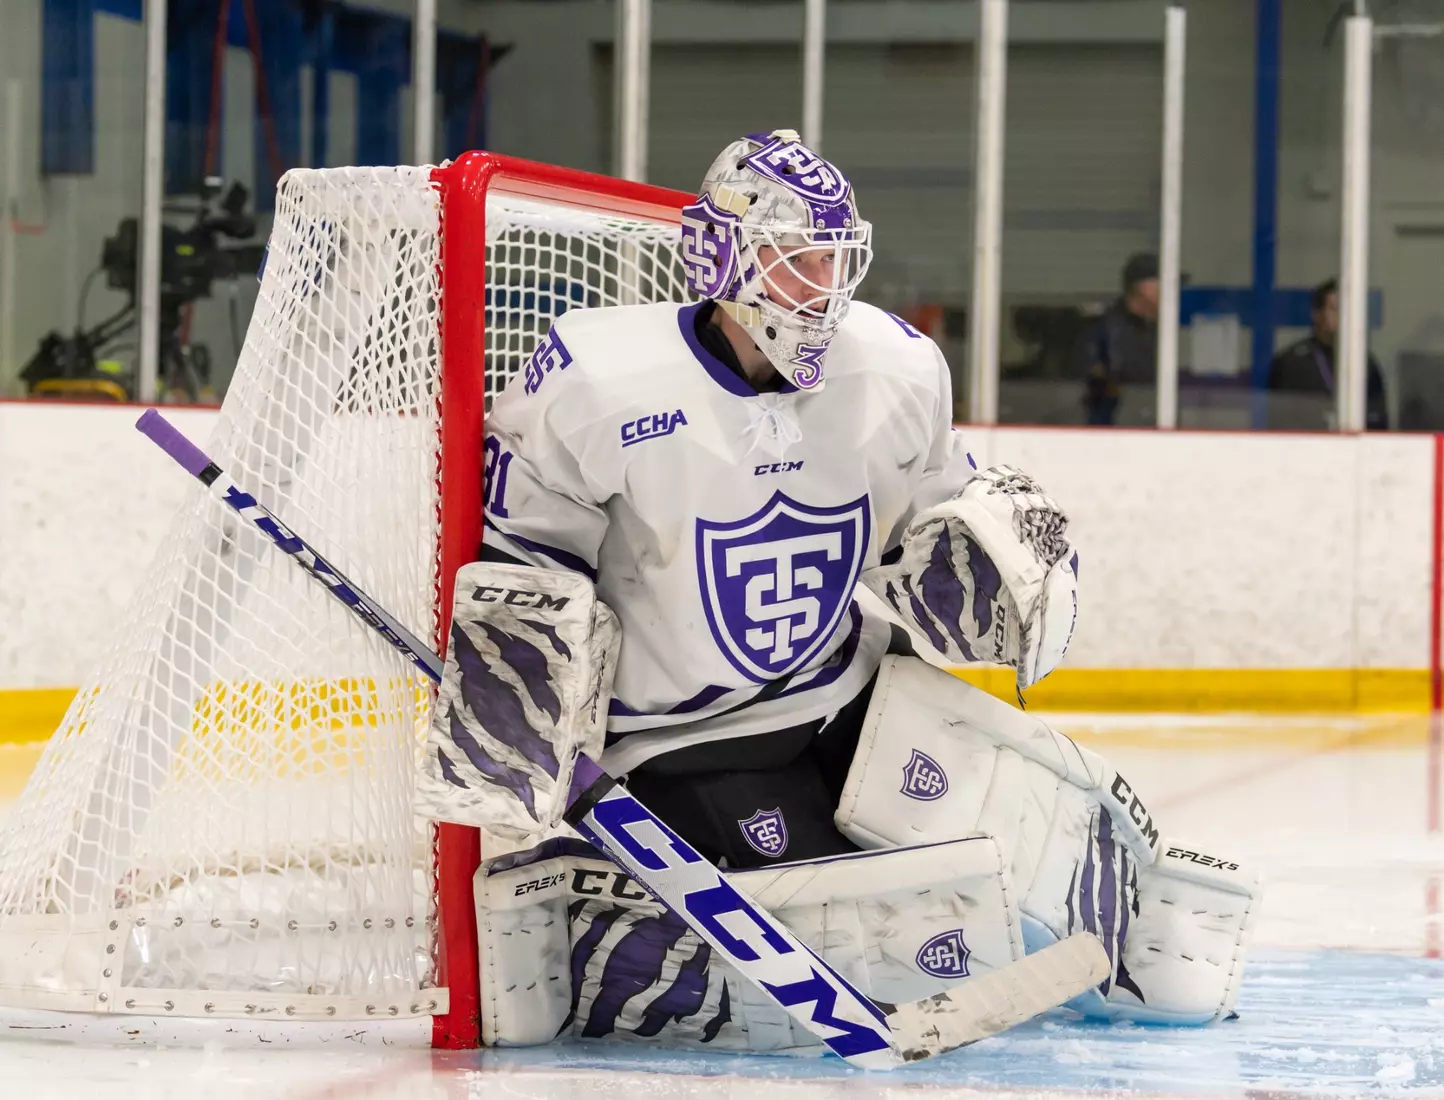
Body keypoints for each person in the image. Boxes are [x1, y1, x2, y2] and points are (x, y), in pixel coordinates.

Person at [435, 130, 1257, 1054]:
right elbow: (524, 563)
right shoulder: (599, 384)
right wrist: (517, 692)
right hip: (684, 743)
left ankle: (1146, 945)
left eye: (835, 257)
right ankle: (600, 922)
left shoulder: (894, 365)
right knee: (876, 942)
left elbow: (930, 528)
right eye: (795, 259)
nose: (821, 284)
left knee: (1030, 844)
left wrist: (991, 566)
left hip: (852, 699)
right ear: (722, 255)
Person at [1268, 278, 1388, 430]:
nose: (1343, 317)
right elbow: (1279, 423)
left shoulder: (1365, 363)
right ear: (1316, 314)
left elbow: (1379, 422)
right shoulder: (1291, 363)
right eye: (1335, 308)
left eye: (1348, 310)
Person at [1077, 253, 1160, 425]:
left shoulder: (1158, 328)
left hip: (1148, 425)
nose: (1172, 291)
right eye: (1162, 283)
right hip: (1112, 431)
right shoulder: (1104, 329)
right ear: (1142, 287)